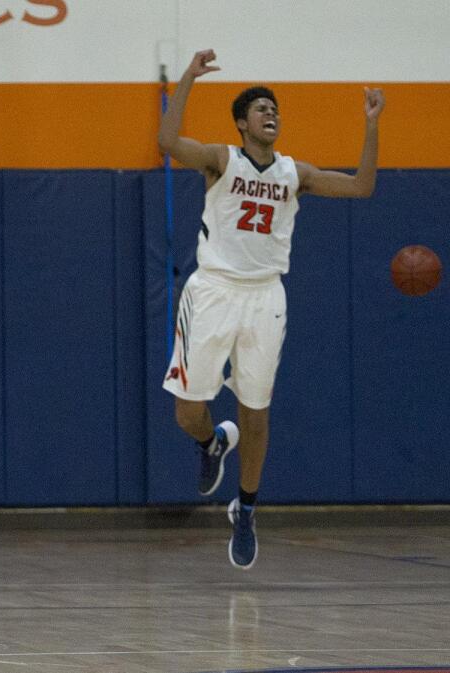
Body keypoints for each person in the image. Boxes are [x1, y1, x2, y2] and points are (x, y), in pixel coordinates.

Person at [158, 49, 384, 570]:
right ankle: (211, 442)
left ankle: (248, 508)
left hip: (266, 296)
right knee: (187, 410)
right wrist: (189, 77)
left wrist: (371, 125)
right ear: (242, 123)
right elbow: (168, 143)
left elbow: (362, 186)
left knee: (256, 412)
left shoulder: (293, 172)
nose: (270, 114)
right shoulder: (221, 159)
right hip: (213, 290)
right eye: (260, 108)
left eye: (274, 108)